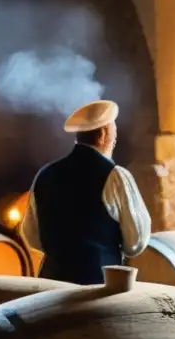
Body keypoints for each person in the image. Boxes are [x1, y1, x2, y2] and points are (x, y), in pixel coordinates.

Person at [20, 100, 151, 285]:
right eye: (114, 130)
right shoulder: (116, 176)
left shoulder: (44, 175)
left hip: (51, 287)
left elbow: (31, 236)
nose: (115, 138)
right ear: (103, 134)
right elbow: (136, 242)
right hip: (97, 289)